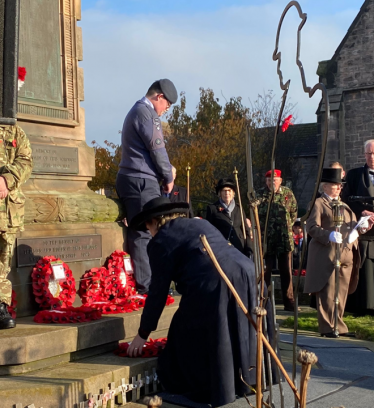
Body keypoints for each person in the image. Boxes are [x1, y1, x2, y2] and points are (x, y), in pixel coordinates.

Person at [127, 197, 268, 407]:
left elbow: (158, 291)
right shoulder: (200, 222)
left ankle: (208, 385)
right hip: (246, 271)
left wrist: (143, 334)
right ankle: (245, 381)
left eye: (148, 227)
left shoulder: (161, 240)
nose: (149, 233)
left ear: (155, 222)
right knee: (237, 325)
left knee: (183, 330)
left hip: (215, 279)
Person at [116, 79, 178, 294]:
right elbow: (157, 148)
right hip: (140, 179)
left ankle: (151, 283)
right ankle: (149, 287)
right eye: (166, 106)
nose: (165, 111)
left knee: (149, 230)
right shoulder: (146, 113)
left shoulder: (139, 111)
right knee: (144, 231)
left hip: (136, 177)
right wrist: (168, 175)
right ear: (158, 97)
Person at [304, 168, 368, 337]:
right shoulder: (318, 204)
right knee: (328, 292)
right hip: (328, 256)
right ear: (325, 187)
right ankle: (327, 327)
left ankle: (338, 325)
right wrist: (329, 235)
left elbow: (353, 227)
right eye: (335, 185)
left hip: (346, 255)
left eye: (340, 185)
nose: (339, 188)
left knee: (341, 292)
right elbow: (311, 227)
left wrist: (360, 228)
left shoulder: (345, 206)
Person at [0, 67, 33, 329]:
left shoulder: (15, 132)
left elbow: (25, 161)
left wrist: (6, 179)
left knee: (3, 258)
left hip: (6, 211)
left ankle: (0, 305)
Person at [257, 169, 298, 311]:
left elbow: (293, 213)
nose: (271, 182)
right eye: (269, 180)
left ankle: (289, 302)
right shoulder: (260, 194)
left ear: (280, 180)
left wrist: (286, 227)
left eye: (274, 180)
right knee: (265, 271)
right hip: (266, 239)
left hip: (284, 239)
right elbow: (255, 213)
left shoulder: (288, 194)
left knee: (286, 271)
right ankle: (264, 300)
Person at [341, 139, 374, 314]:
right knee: (364, 270)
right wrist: (363, 212)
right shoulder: (354, 176)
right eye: (369, 153)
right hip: (363, 233)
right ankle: (361, 306)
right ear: (364, 154)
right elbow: (345, 200)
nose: (372, 157)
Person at [206, 178, 252, 256]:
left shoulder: (239, 208)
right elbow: (209, 232)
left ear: (233, 193)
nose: (227, 193)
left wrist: (249, 249)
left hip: (239, 249)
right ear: (220, 193)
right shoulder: (212, 208)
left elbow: (246, 230)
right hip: (221, 250)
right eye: (224, 190)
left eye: (229, 190)